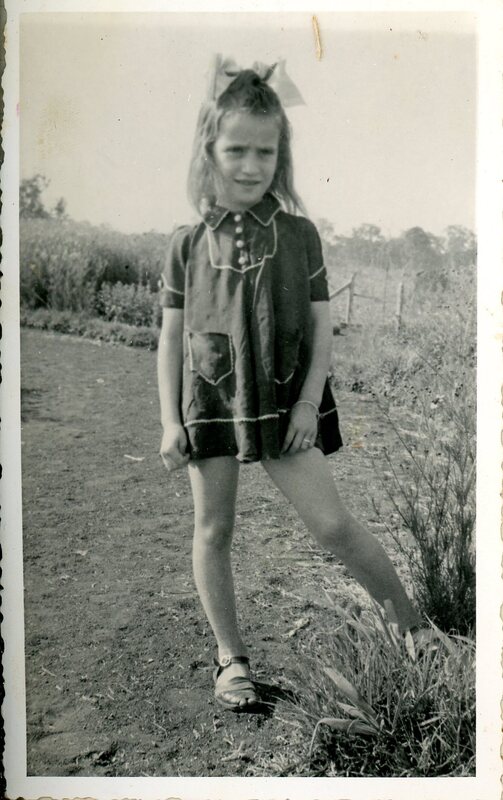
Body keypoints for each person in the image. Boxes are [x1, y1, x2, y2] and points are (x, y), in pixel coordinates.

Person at [157, 55, 422, 712]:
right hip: (211, 401)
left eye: (265, 152)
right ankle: (231, 659)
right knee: (213, 530)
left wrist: (307, 402)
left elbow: (322, 326)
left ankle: (416, 632)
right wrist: (169, 420)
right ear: (208, 150)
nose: (251, 165)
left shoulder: (300, 235)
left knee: (332, 525)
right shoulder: (185, 244)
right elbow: (169, 337)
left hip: (283, 400)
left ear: (281, 156)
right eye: (236, 150)